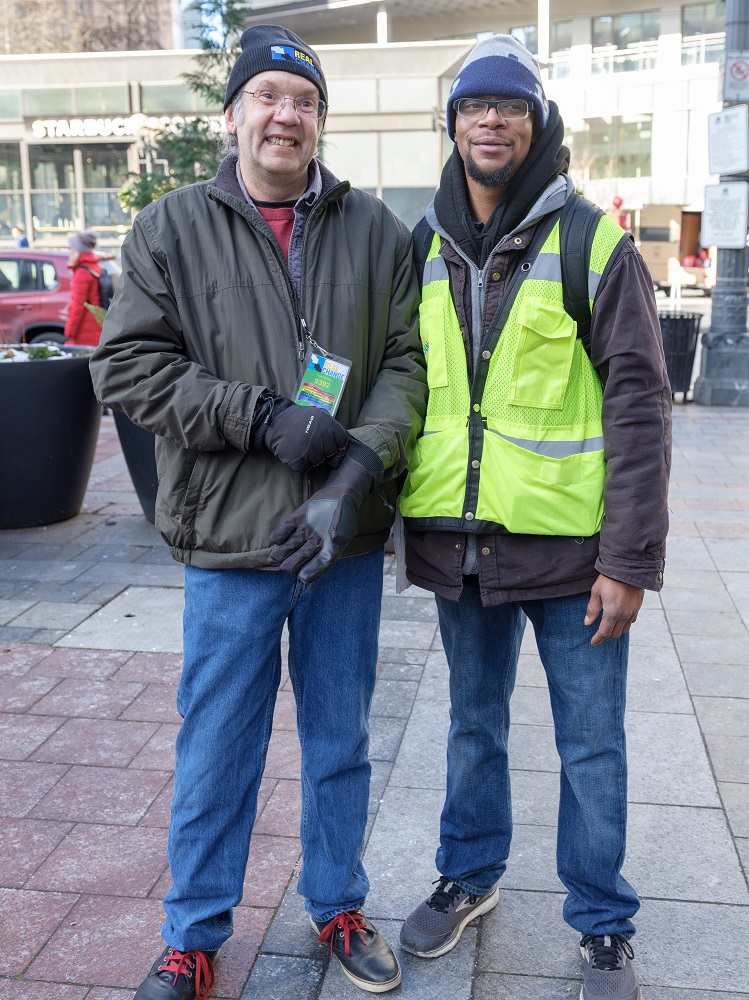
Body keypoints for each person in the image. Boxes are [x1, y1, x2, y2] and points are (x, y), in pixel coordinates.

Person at [90, 24, 426, 1000]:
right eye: (269, 96)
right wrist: (257, 417)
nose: (286, 115)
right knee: (217, 745)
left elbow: (407, 367)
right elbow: (127, 366)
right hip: (229, 542)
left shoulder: (373, 231)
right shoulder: (168, 227)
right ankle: (192, 937)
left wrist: (345, 483)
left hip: (343, 543)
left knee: (339, 739)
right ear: (232, 114)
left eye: (305, 100)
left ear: (321, 120)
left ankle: (337, 906)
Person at [397, 35, 671, 1000]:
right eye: (475, 107)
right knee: (473, 727)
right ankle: (469, 875)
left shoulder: (591, 239)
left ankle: (601, 922)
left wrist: (630, 559)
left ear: (536, 123)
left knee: (590, 742)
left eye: (510, 107)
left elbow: (639, 402)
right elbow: (401, 384)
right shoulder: (421, 243)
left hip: (574, 554)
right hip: (458, 545)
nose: (491, 121)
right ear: (453, 123)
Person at [64, 229, 103, 346]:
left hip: (85, 328)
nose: (70, 251)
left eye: (71, 247)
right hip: (96, 322)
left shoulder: (82, 272)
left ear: (77, 250)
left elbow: (77, 306)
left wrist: (69, 333)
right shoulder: (94, 266)